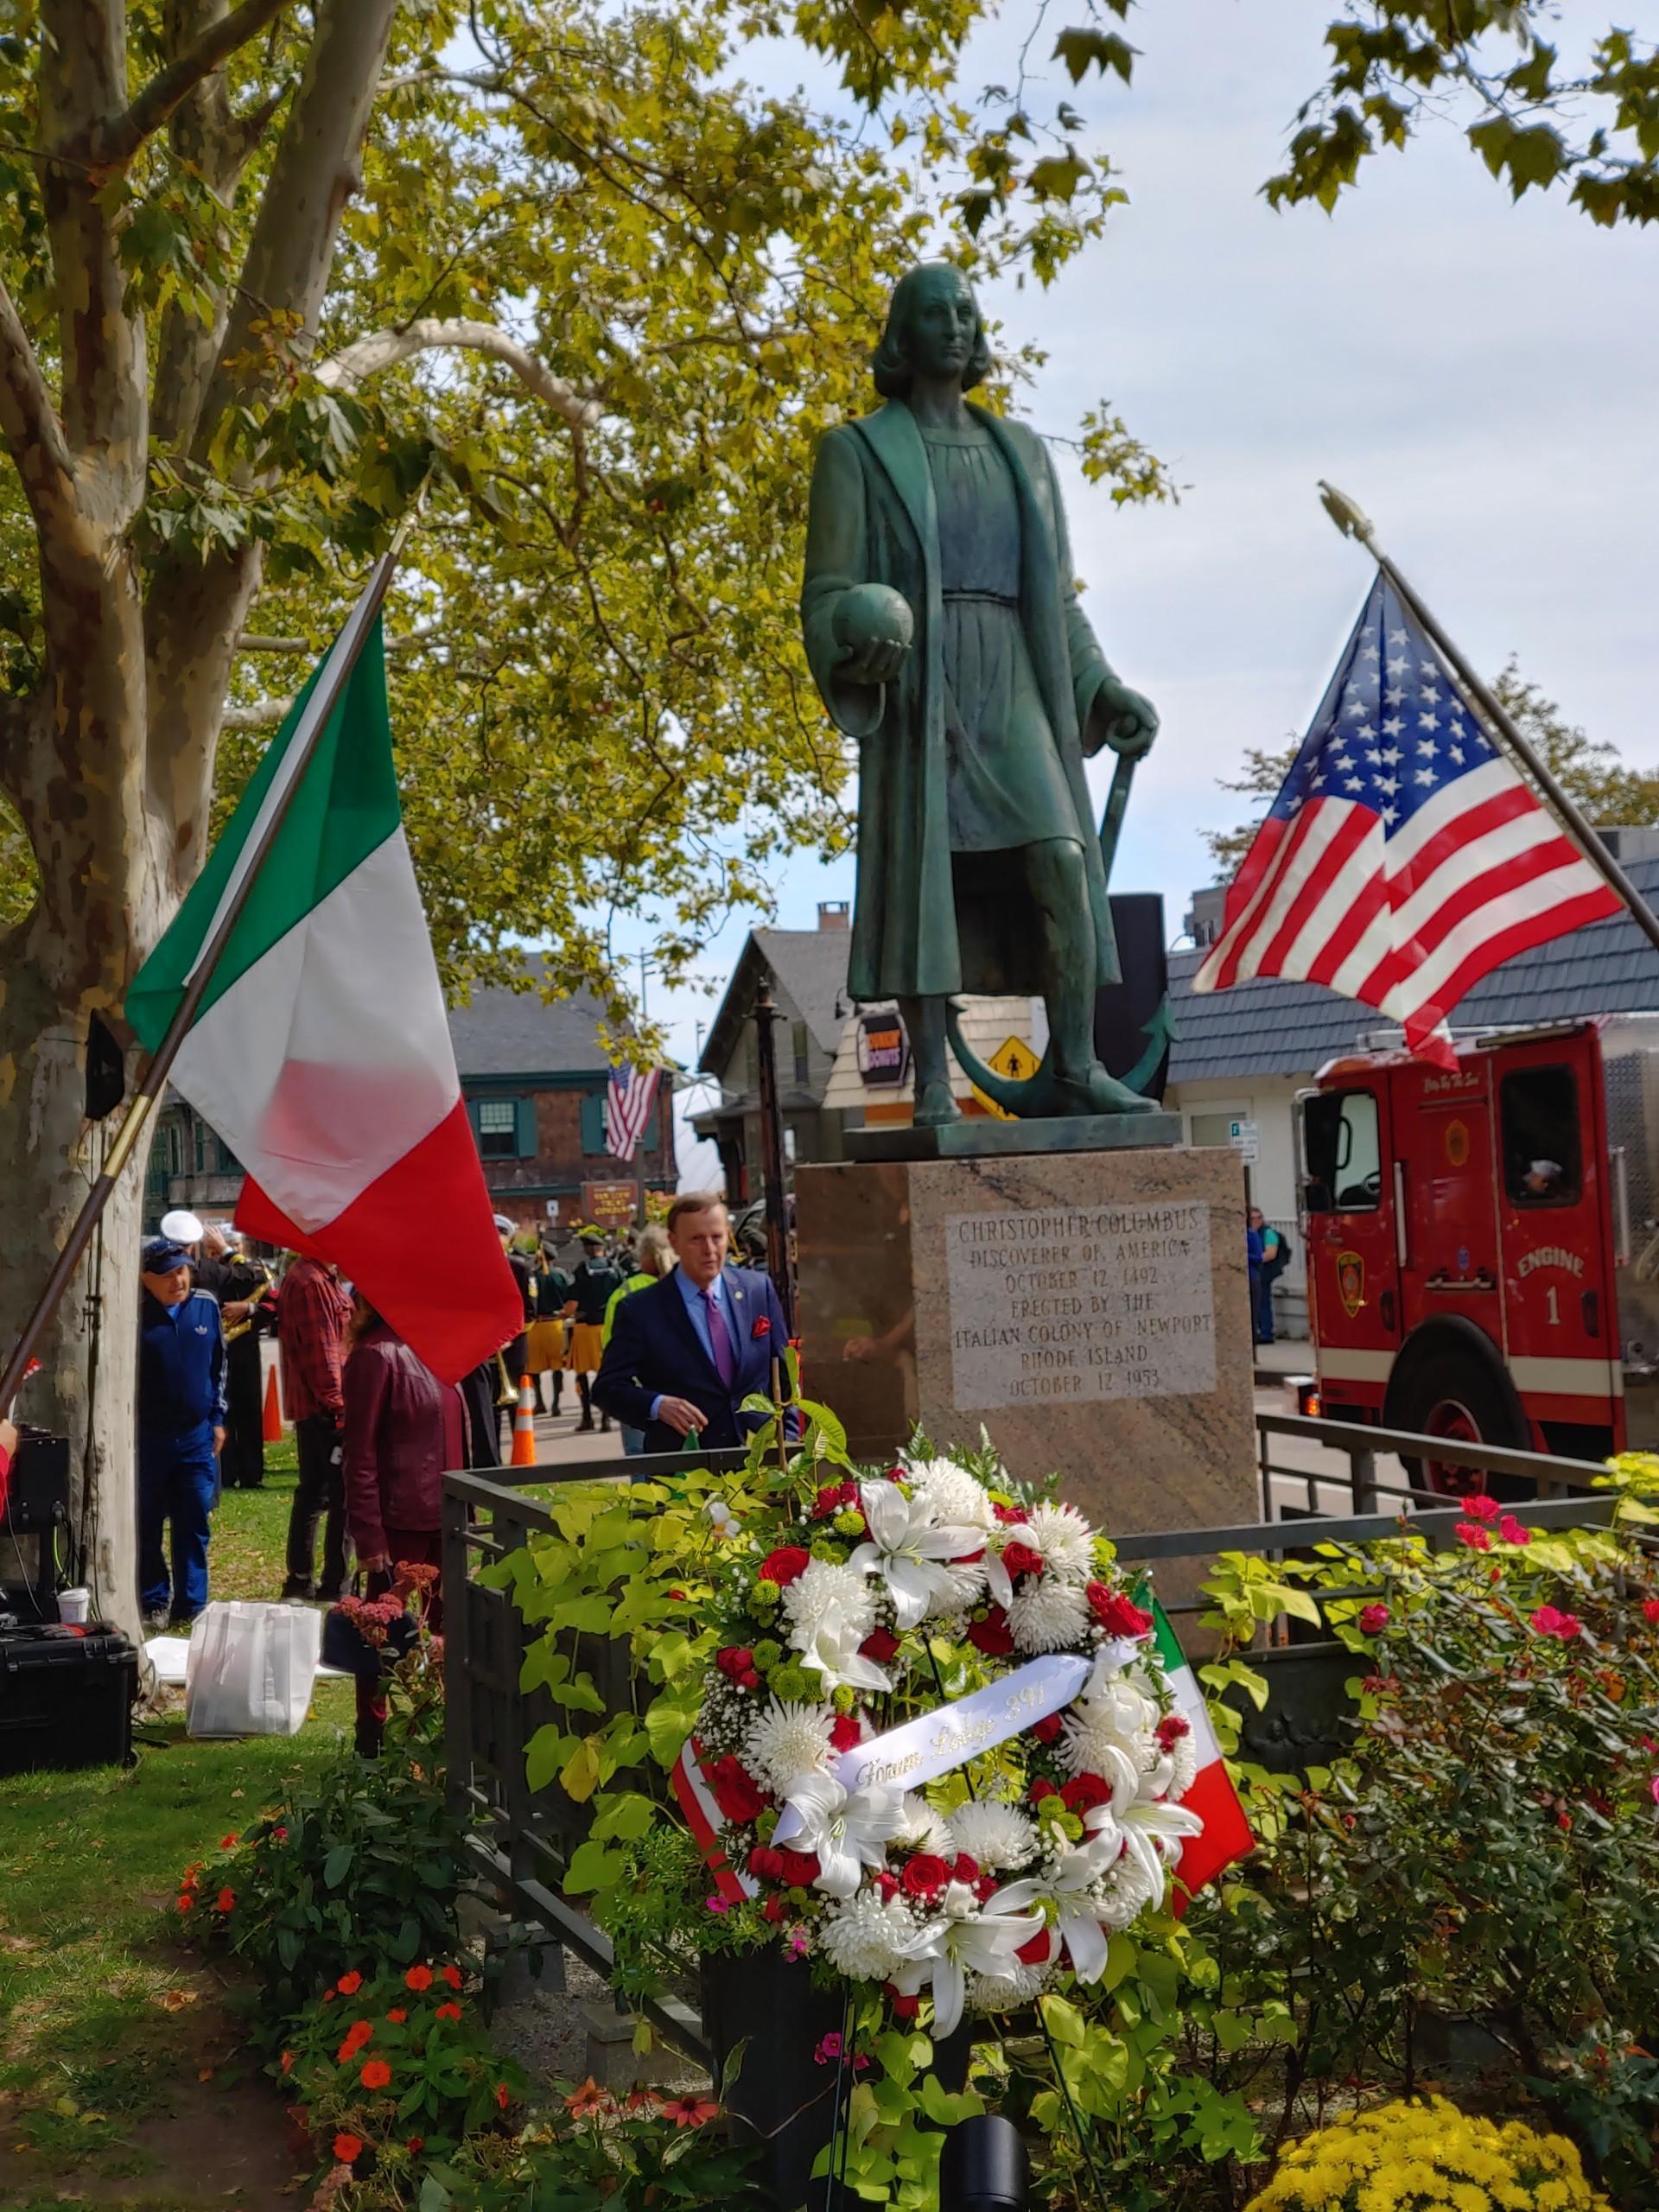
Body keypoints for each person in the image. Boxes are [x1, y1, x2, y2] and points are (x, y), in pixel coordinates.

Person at [800, 262, 1159, 1125]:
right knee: (929, 884)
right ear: (903, 333)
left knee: (1064, 863)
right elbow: (825, 592)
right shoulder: (856, 451)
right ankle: (931, 1084)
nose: (955, 325)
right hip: (922, 680)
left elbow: (1058, 594)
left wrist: (1099, 684)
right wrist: (858, 624)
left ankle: (1075, 1063)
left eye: (966, 311)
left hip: (1015, 674)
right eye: (935, 312)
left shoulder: (1021, 453)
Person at [340, 1292, 464, 1755]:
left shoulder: (438, 1349)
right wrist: (369, 1534)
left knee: (449, 1637)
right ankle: (371, 1739)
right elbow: (359, 1454)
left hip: (447, 1519)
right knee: (384, 1641)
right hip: (400, 1526)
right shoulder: (375, 1356)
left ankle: (440, 1736)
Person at [594, 1193, 797, 1453]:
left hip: (760, 1461)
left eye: (717, 1237)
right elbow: (607, 1388)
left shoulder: (757, 1290)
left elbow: (784, 1372)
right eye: (697, 1239)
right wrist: (658, 1405)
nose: (710, 1250)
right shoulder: (641, 1310)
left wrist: (788, 1440)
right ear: (674, 1242)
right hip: (685, 1466)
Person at [137, 1236, 226, 1631]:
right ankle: (153, 1598)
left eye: (182, 1271)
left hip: (196, 1436)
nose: (178, 1281)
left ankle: (191, 1603)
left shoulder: (205, 1305)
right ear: (145, 1279)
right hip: (148, 1439)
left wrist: (218, 1417)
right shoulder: (136, 1315)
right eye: (167, 1275)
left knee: (193, 1521)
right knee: (148, 1522)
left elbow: (219, 1366)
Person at [276, 1250, 354, 1602]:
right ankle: (331, 1583)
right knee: (339, 1497)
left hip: (315, 1407)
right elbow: (323, 1353)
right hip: (325, 1409)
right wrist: (339, 1407)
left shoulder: (313, 1275)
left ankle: (302, 1580)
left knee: (315, 1494)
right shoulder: (313, 1281)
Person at [193, 1224, 274, 1489]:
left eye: (232, 1247)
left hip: (245, 1346)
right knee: (221, 1411)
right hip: (216, 1348)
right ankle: (226, 1472)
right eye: (214, 1250)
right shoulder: (207, 1270)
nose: (220, 1255)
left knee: (249, 1411)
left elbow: (267, 1290)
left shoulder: (252, 1268)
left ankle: (252, 1473)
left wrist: (248, 1307)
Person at [601, 1226, 673, 1456]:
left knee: (638, 1456)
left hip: (636, 1390)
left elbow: (609, 1344)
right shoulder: (682, 1288)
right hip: (679, 1389)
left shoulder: (624, 1293)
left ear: (642, 1255)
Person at [566, 1230, 621, 1433]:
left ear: (589, 1249)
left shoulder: (583, 1270)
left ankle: (587, 1417)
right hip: (608, 1328)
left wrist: (566, 1314)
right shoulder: (614, 1268)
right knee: (606, 1375)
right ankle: (606, 1420)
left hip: (585, 1328)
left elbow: (572, 1303)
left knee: (582, 1375)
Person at [496, 1216, 533, 1452]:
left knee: (516, 1408)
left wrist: (508, 1339)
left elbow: (530, 1312)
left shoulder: (520, 1267)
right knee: (489, 1410)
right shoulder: (477, 1266)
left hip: (514, 1345)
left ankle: (521, 1454)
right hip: (486, 1349)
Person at [525, 1239, 570, 1414]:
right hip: (555, 1325)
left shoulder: (531, 1276)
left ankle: (540, 1402)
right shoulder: (560, 1274)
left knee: (534, 1368)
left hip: (535, 1326)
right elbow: (568, 1297)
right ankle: (556, 1404)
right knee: (557, 1366)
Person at [1249, 1206, 1284, 1347]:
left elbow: (1271, 1253)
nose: (1257, 1221)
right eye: (1253, 1218)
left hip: (1264, 1273)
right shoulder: (1252, 1233)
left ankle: (1266, 1333)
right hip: (1258, 1271)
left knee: (1263, 1303)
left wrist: (1254, 1259)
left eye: (1259, 1218)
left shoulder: (1268, 1233)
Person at [1245, 1211, 1266, 1350]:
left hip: (1252, 1278)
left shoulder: (1251, 1235)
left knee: (1253, 1314)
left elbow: (1259, 1258)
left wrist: (1242, 1254)